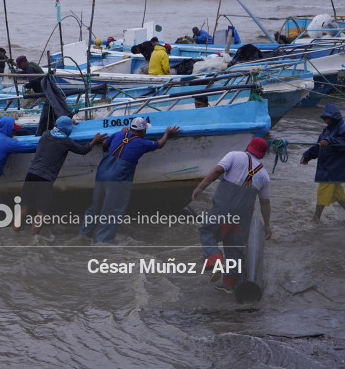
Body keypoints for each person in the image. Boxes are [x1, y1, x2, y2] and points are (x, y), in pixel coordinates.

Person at [191, 137, 272, 294]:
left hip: (223, 208)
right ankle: (228, 285)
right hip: (243, 216)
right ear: (263, 154)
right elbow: (265, 203)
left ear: (249, 147)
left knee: (207, 231)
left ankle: (215, 260)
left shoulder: (234, 155)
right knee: (235, 248)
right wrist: (267, 225)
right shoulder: (264, 175)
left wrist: (200, 187)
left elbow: (216, 171)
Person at [80, 118, 180, 243]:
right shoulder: (143, 143)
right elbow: (159, 144)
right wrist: (167, 133)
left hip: (102, 174)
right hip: (117, 179)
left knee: (95, 207)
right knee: (112, 212)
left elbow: (105, 144)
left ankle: (83, 236)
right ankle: (102, 243)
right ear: (143, 131)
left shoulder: (119, 134)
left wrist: (121, 133)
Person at [19, 116, 107, 235]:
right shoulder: (66, 142)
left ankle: (15, 232)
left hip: (31, 174)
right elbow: (83, 150)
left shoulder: (46, 134)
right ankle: (31, 239)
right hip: (45, 178)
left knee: (24, 206)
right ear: (68, 130)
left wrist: (67, 122)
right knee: (42, 212)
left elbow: (59, 127)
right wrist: (94, 141)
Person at [301, 103, 345, 222]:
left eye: (328, 118)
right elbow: (319, 145)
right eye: (325, 118)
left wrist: (330, 140)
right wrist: (308, 155)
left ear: (334, 117)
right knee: (337, 193)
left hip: (335, 167)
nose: (326, 121)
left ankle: (315, 219)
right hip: (327, 166)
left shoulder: (344, 127)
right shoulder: (326, 130)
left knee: (323, 190)